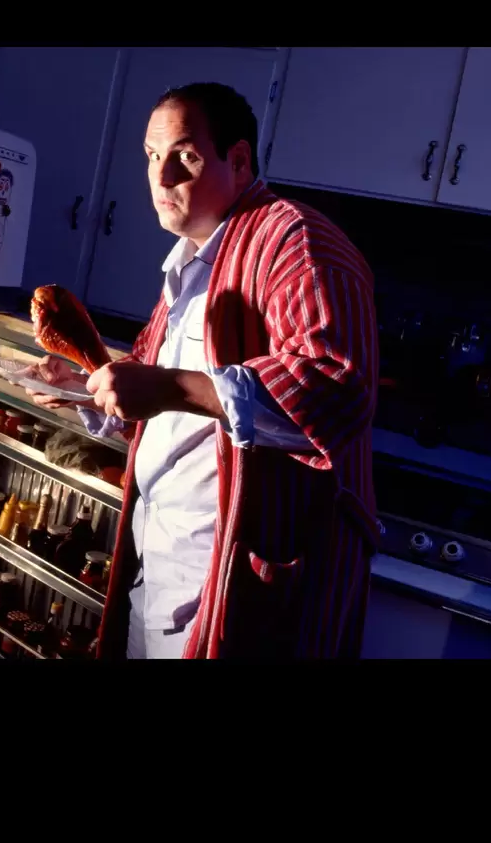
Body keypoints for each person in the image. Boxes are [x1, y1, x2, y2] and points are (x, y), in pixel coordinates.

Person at [28, 81, 379, 660]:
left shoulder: (298, 241)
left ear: (237, 161)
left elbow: (335, 388)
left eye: (185, 157)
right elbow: (167, 393)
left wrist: (169, 386)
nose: (161, 178)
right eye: (151, 156)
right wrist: (86, 386)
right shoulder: (193, 259)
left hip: (235, 582)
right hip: (160, 569)